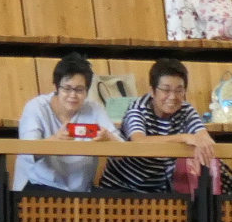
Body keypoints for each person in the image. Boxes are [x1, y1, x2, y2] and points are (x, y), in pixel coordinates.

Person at [99, 58, 219, 194]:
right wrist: (185, 137)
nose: (172, 97)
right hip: (121, 188)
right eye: (166, 90)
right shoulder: (137, 109)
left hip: (159, 190)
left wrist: (201, 142)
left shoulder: (186, 110)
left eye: (179, 90)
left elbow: (205, 139)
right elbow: (139, 142)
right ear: (152, 91)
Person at [15, 51, 119, 192]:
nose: (73, 95)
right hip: (39, 186)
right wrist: (54, 141)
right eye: (67, 88)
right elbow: (27, 152)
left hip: (81, 192)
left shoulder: (94, 109)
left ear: (87, 91)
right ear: (56, 87)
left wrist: (109, 139)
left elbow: (123, 150)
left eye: (79, 90)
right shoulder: (36, 107)